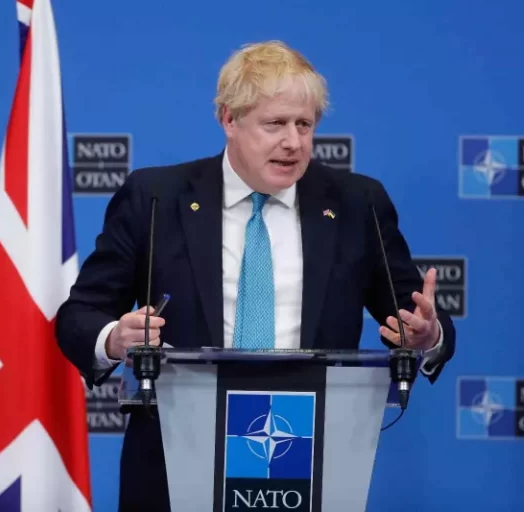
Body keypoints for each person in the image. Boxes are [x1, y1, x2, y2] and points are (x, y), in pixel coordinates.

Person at [55, 40, 456, 511]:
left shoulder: (356, 204)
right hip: (175, 458)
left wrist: (427, 335)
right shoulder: (156, 198)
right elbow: (80, 314)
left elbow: (415, 317)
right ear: (229, 119)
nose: (294, 142)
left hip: (308, 459)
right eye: (275, 124)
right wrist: (114, 338)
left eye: (304, 124)